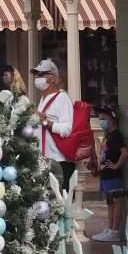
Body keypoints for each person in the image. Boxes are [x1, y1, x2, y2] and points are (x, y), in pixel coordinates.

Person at [32, 58, 75, 188]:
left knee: (60, 202)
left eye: (40, 74)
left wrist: (45, 122)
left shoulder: (62, 98)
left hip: (59, 161)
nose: (37, 78)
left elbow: (68, 129)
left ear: (52, 77)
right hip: (44, 160)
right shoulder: (43, 99)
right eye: (36, 75)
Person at [91, 104, 128, 243]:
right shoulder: (107, 136)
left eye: (104, 118)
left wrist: (116, 165)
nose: (101, 121)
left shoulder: (116, 136)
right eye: (100, 118)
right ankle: (110, 227)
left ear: (112, 119)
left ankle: (115, 230)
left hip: (113, 175)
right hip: (106, 174)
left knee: (116, 202)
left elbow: (124, 153)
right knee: (110, 202)